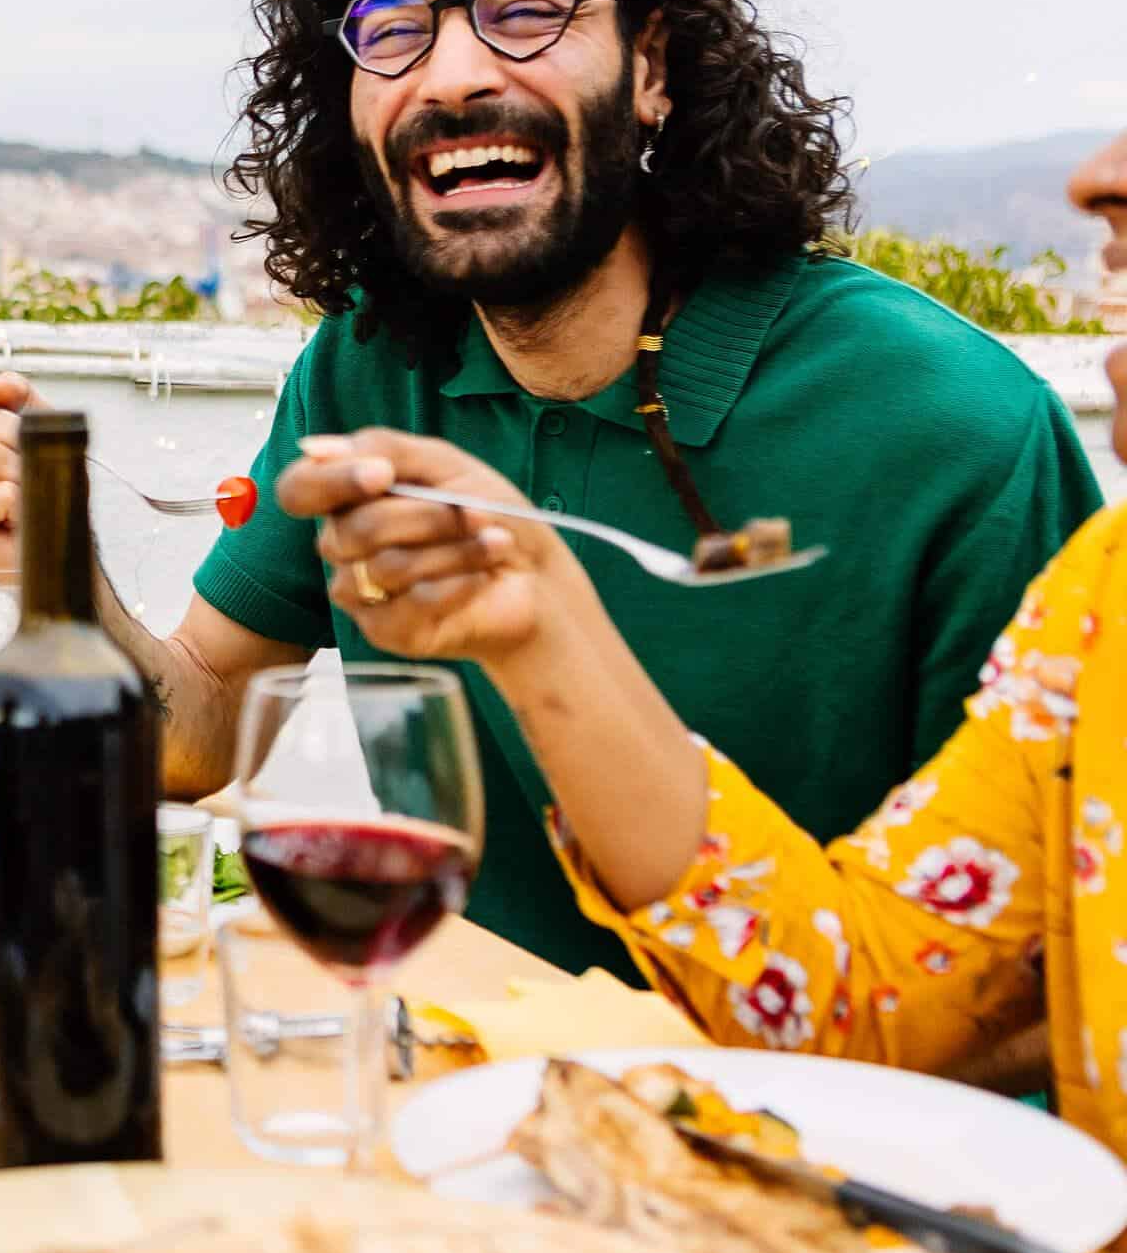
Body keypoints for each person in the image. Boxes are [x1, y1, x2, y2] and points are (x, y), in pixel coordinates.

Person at [0, 0, 1101, 974]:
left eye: (525, 12)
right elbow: (203, 717)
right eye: (393, 32)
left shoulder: (951, 425)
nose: (453, 73)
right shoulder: (368, 370)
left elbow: (1036, 946)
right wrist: (54, 566)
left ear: (653, 66)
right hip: (470, 1098)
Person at [276, 125, 1127, 1157]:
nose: (1098, 181)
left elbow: (1012, 1027)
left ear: (655, 71)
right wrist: (540, 622)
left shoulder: (956, 417)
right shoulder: (1104, 597)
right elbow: (849, 1007)